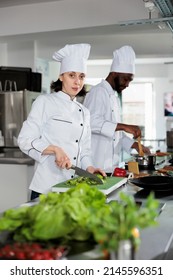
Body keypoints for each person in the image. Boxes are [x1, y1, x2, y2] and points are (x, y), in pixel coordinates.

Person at [18, 43, 106, 200]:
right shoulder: (44, 102)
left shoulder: (84, 112)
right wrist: (54, 149)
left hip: (72, 187)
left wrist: (90, 168)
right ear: (61, 76)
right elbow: (25, 140)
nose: (77, 82)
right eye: (72, 75)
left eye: (81, 76)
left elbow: (84, 150)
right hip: (46, 188)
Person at [83, 45, 150, 175]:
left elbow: (115, 133)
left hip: (111, 167)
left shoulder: (113, 97)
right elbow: (90, 123)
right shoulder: (98, 92)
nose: (127, 84)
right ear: (114, 73)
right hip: (96, 165)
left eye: (130, 80)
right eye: (126, 79)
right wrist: (124, 126)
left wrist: (135, 145)